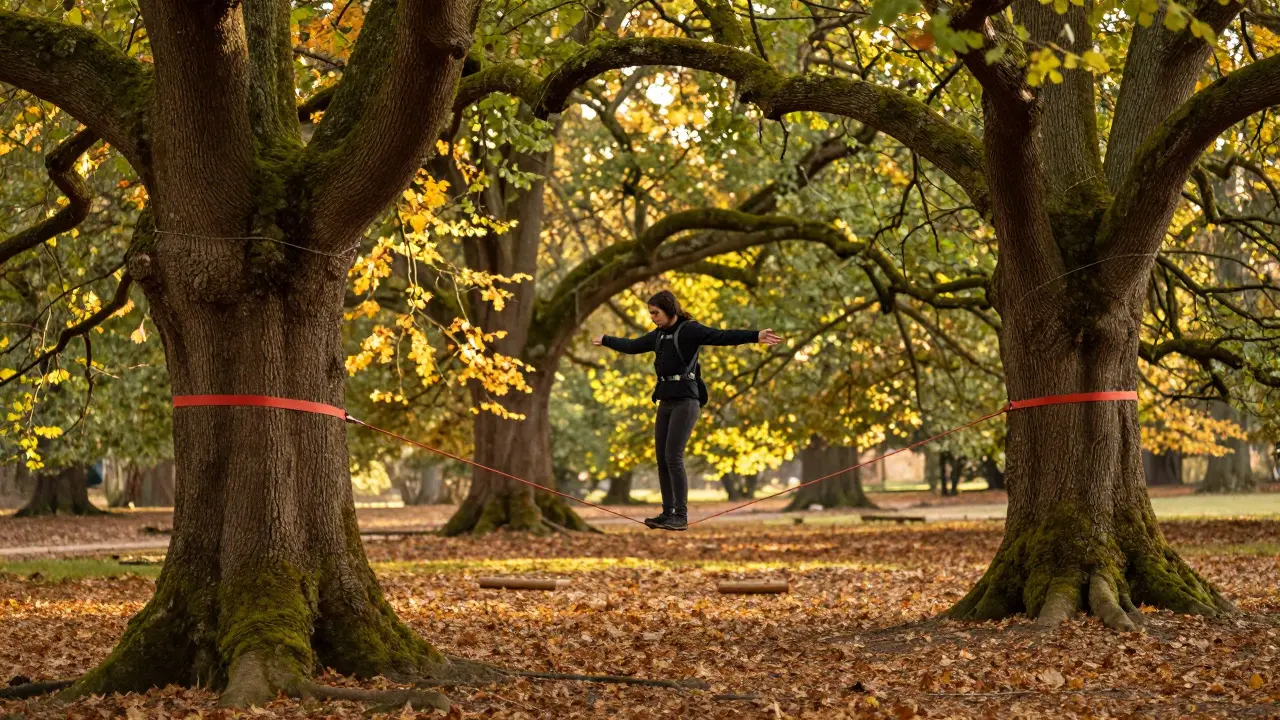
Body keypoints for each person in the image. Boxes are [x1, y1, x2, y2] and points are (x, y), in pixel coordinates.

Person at [592, 291, 782, 530]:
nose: (652, 318)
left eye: (655, 313)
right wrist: (607, 340)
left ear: (670, 310)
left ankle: (680, 515)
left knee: (673, 456)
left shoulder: (689, 330)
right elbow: (633, 346)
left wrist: (756, 336)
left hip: (686, 402)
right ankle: (667, 512)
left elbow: (721, 336)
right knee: (661, 458)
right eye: (650, 313)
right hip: (666, 400)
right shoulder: (659, 335)